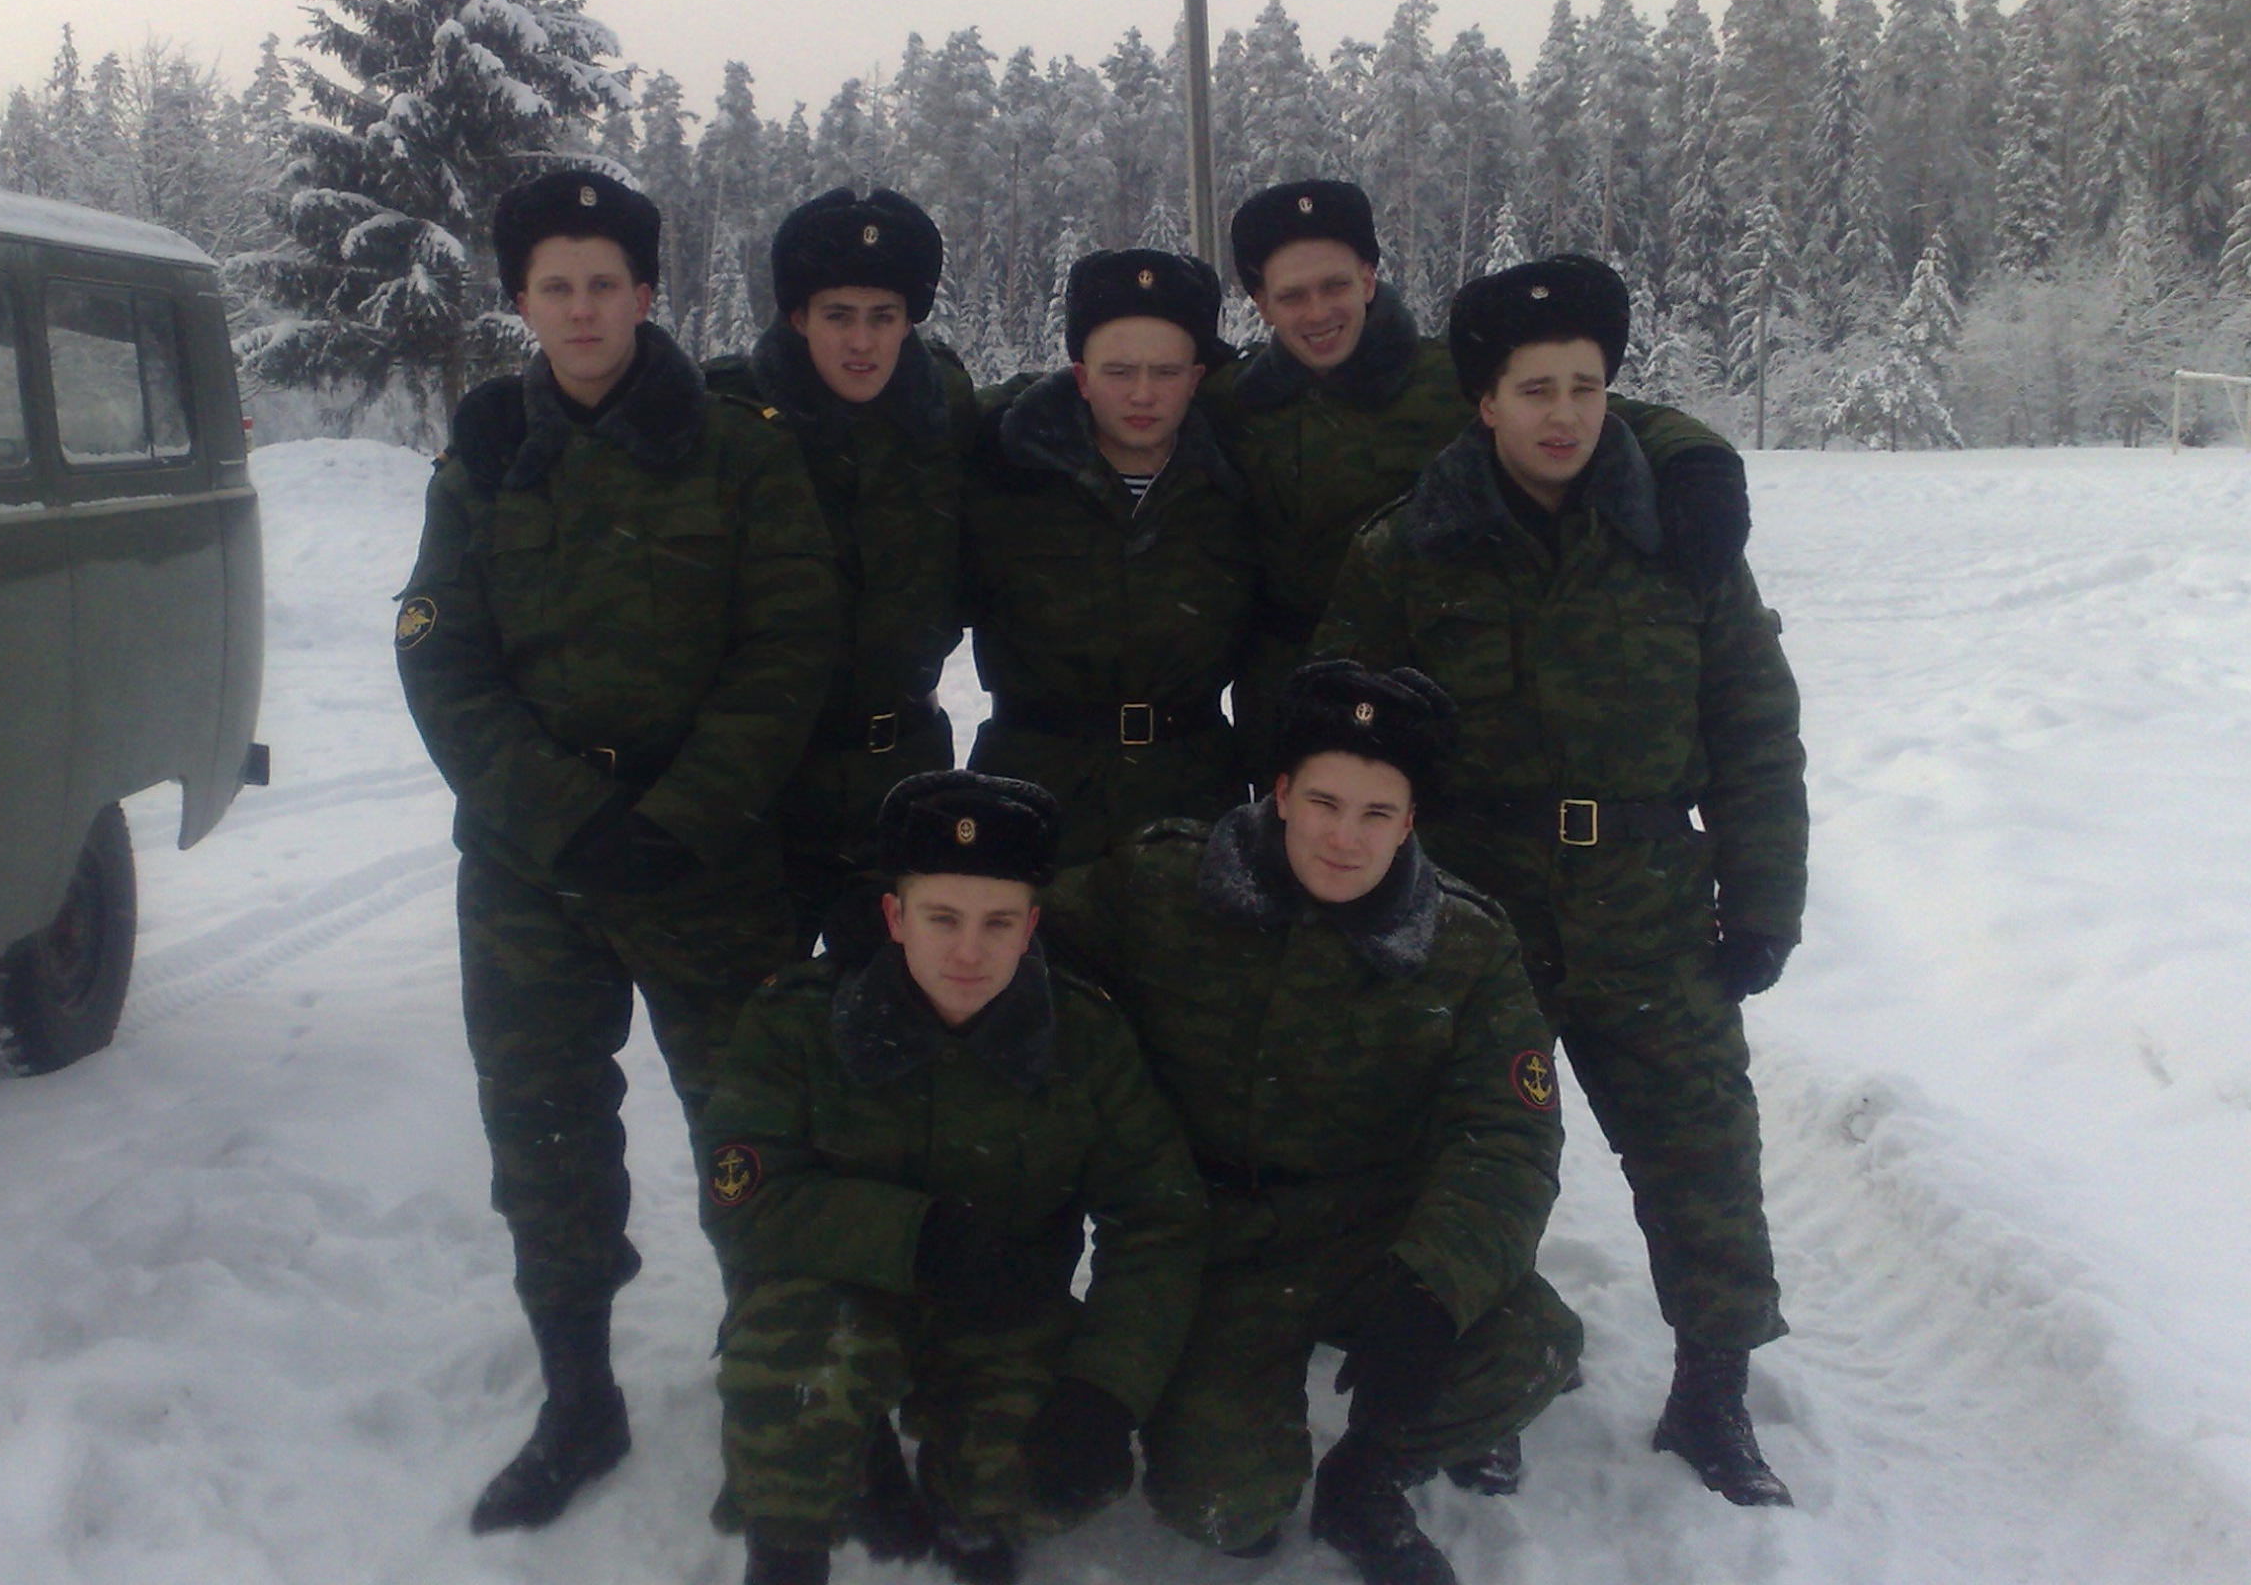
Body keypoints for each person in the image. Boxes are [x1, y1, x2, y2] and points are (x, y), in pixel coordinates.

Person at [1315, 253, 1808, 1507]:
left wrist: (1762, 900)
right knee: (1472, 1152)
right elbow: (1341, 740)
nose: (1562, 415)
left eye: (1585, 387)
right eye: (1534, 389)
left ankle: (1713, 1391)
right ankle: (1483, 1381)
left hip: (1646, 896)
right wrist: (1365, 905)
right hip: (1474, 904)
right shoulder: (1411, 550)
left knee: (1700, 1144)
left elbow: (1753, 724)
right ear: (1484, 400)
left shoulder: (1679, 533)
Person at [395, 167, 839, 1534]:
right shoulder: (484, 454)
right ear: (522, 302)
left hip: (707, 862)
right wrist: (568, 820)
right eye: (556, 287)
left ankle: (772, 1400)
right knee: (543, 1137)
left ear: (647, 294)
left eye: (605, 284)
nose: (582, 310)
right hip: (531, 871)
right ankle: (578, 1400)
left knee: (754, 1133)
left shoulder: (741, 451)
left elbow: (787, 650)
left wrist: (676, 819)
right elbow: (441, 658)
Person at [1037, 661, 1580, 1585]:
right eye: (1324, 802)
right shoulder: (1163, 884)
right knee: (1219, 1508)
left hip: (1374, 1235)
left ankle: (1369, 1476)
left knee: (1531, 1345)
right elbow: (1013, 933)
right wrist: (882, 928)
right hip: (1215, 1241)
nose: (1343, 837)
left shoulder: (1467, 947)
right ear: (1281, 793)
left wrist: (1434, 1289)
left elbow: (1508, 1138)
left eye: (1377, 813)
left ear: (1409, 822)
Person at [700, 771, 1208, 1585]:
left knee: (1039, 1480)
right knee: (788, 1400)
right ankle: (793, 1543)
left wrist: (1105, 1390)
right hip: (840, 1291)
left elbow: (1159, 1216)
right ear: (894, 917)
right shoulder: (798, 1020)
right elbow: (745, 1196)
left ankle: (970, 1512)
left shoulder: (1085, 1037)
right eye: (942, 918)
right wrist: (921, 1238)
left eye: (998, 922)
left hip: (1002, 1304)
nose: (969, 952)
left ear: (1031, 925)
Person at [1207, 179, 1753, 779]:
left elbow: (1597, 413)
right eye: (1293, 295)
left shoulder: (1449, 382)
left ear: (1368, 279)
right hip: (1277, 688)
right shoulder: (1233, 402)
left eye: (1335, 286)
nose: (1318, 313)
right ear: (1261, 304)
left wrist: (1697, 459)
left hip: (1420, 678)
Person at [704, 187, 976, 950]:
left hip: (906, 769)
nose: (862, 342)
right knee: (759, 1004)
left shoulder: (944, 408)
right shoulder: (725, 416)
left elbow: (1063, 415)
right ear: (797, 317)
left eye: (884, 316)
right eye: (838, 316)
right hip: (768, 779)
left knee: (904, 1000)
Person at [961, 248, 1256, 866]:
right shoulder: (1005, 476)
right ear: (1081, 375)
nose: (1143, 395)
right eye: (1119, 372)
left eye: (1166, 372)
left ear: (1197, 378)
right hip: (1032, 788)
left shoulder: (1237, 483)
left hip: (1191, 794)